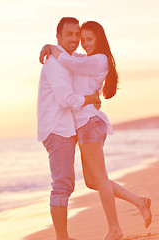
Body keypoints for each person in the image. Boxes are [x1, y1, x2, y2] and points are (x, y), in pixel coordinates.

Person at [40, 20, 152, 240]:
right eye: (83, 40)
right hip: (84, 124)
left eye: (89, 39)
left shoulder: (98, 60)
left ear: (100, 39)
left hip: (90, 121)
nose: (84, 44)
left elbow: (69, 62)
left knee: (99, 178)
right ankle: (140, 202)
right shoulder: (87, 59)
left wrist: (52, 48)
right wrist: (52, 46)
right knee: (93, 181)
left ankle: (115, 229)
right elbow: (73, 60)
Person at [37, 17, 101, 240]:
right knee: (62, 184)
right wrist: (90, 98)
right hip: (57, 129)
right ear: (59, 37)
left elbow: (85, 60)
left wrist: (52, 47)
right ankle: (62, 238)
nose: (75, 39)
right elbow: (65, 99)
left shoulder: (69, 58)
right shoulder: (54, 64)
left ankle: (62, 236)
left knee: (66, 183)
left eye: (77, 35)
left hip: (67, 129)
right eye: (69, 35)